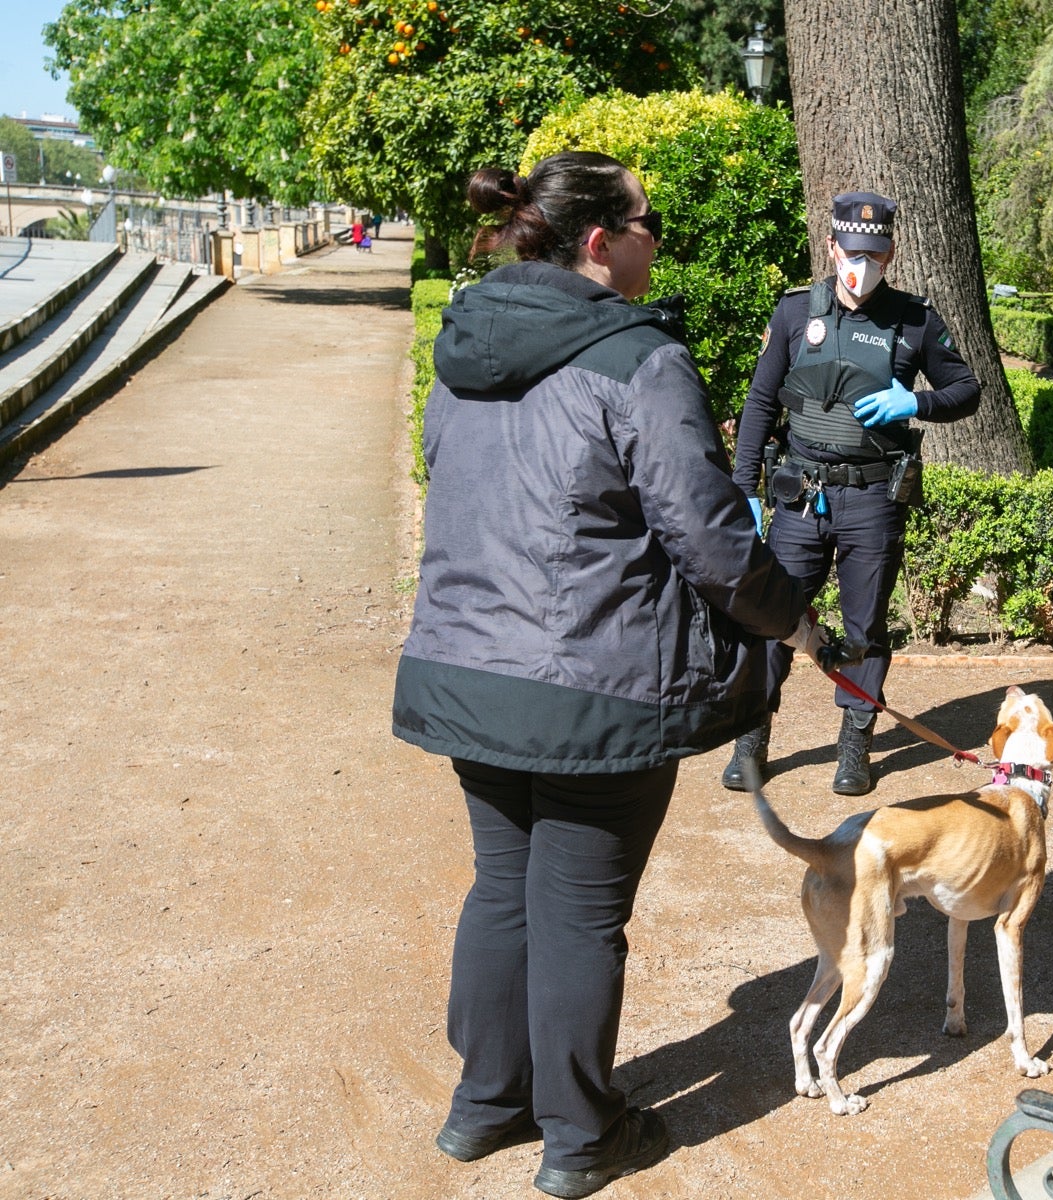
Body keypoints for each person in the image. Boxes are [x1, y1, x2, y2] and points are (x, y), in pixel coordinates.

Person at [391, 151, 835, 1199]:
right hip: (596, 685)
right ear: (600, 242)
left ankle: (484, 1107)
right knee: (579, 911)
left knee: (505, 889)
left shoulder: (461, 345)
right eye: (649, 224)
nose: (656, 241)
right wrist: (798, 623)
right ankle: (581, 1135)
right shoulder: (642, 360)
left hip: (467, 671)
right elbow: (712, 538)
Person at [721, 190, 982, 796]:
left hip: (872, 498)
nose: (862, 266)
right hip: (800, 493)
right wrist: (744, 490)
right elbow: (761, 404)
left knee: (864, 624)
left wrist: (914, 400)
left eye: (877, 253)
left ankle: (855, 743)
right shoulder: (794, 314)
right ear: (832, 246)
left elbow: (966, 390)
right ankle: (752, 739)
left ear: (890, 252)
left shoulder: (914, 319)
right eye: (852, 252)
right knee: (773, 618)